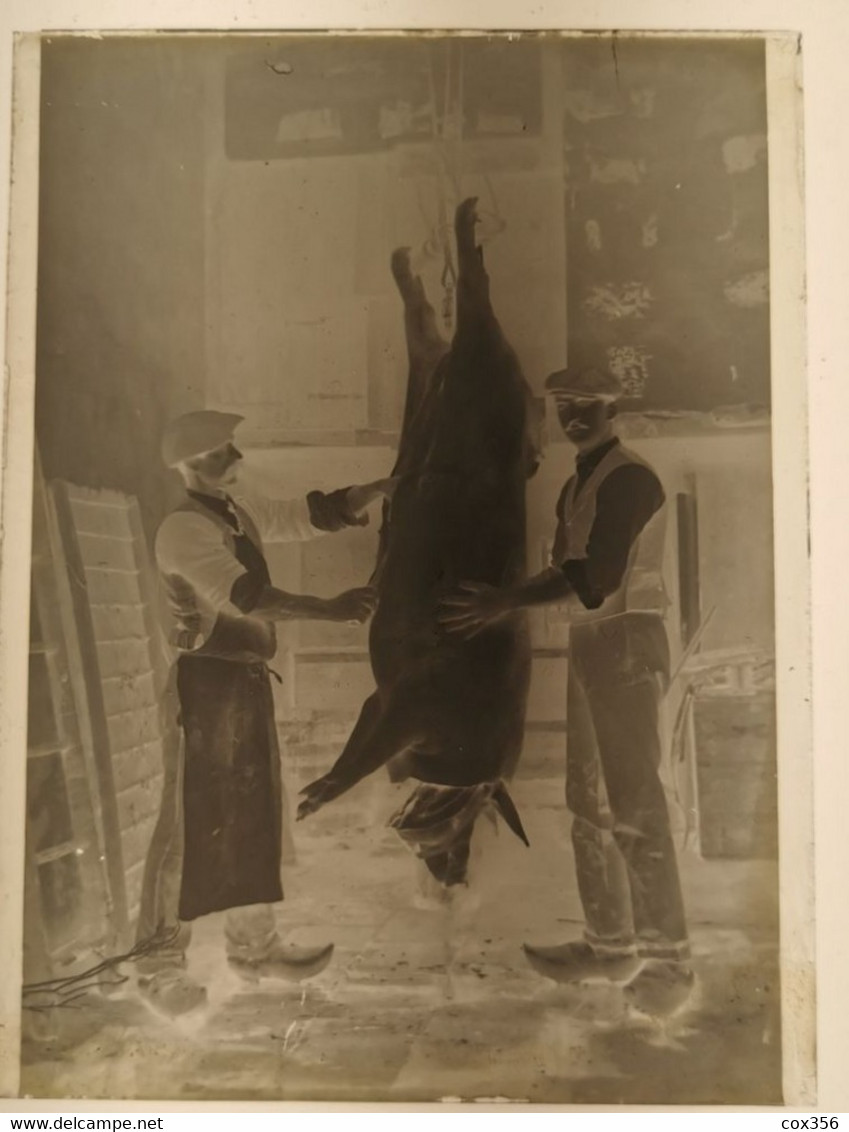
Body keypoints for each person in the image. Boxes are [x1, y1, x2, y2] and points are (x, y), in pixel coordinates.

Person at [438, 366, 694, 1018]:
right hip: (591, 641)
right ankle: (609, 945)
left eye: (585, 404)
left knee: (633, 800)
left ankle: (667, 961)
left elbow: (595, 576)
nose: (572, 416)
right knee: (586, 797)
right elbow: (562, 570)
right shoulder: (575, 482)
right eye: (562, 406)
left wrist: (504, 601)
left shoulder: (629, 478)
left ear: (612, 407)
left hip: (626, 639)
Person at [135, 409, 395, 1016]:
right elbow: (249, 598)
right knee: (186, 825)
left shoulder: (236, 513)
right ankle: (155, 965)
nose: (237, 459)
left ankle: (254, 949)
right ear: (192, 464)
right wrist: (330, 610)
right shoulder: (182, 530)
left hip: (247, 682)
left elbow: (299, 516)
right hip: (201, 685)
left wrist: (375, 491)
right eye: (225, 451)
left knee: (253, 814)